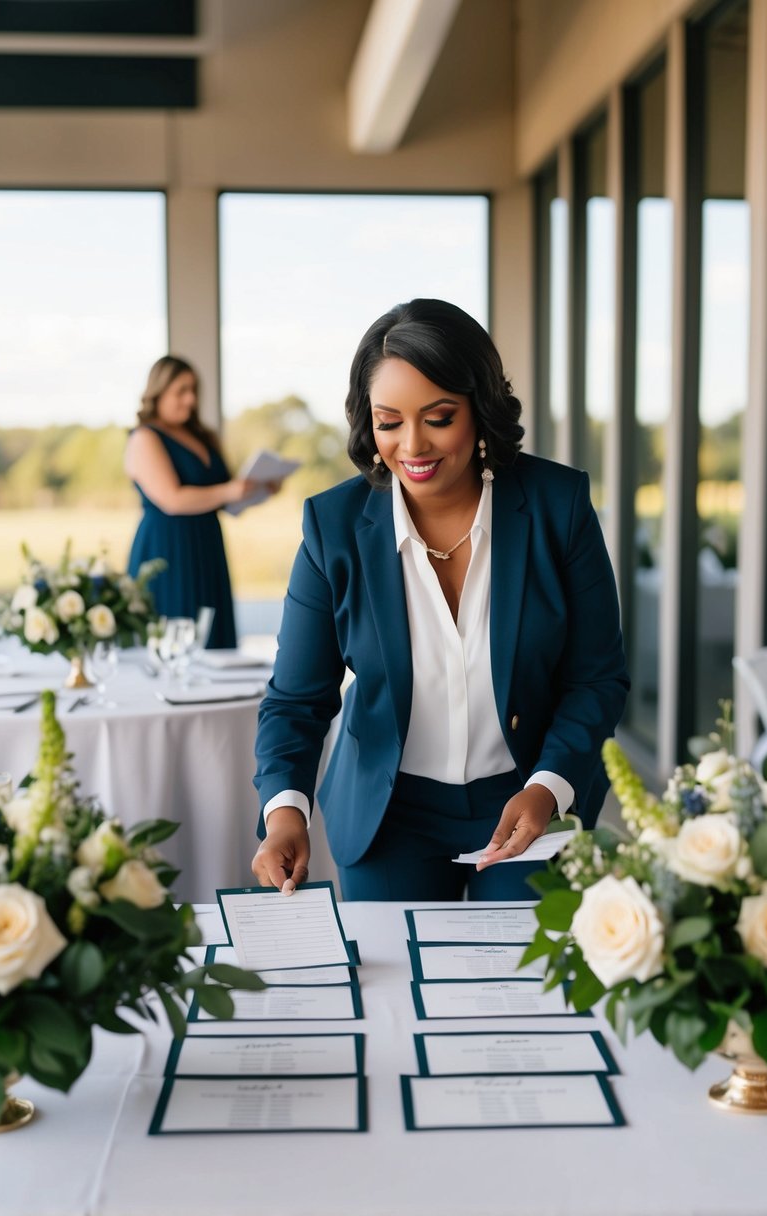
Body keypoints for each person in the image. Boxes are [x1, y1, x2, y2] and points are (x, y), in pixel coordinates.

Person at [252, 300, 629, 900]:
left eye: (439, 416)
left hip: (527, 802)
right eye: (389, 420)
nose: (413, 445)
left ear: (480, 410)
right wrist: (284, 813)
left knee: (522, 986)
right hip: (387, 815)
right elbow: (297, 699)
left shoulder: (560, 507)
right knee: (391, 984)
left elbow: (597, 679)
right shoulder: (333, 527)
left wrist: (549, 786)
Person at [125, 355, 280, 649]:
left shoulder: (202, 436)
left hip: (207, 544)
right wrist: (230, 491)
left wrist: (259, 489)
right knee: (172, 640)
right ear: (158, 391)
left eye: (194, 390)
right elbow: (172, 499)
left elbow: (223, 499)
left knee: (212, 635)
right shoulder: (145, 438)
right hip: (167, 551)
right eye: (180, 391)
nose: (190, 399)